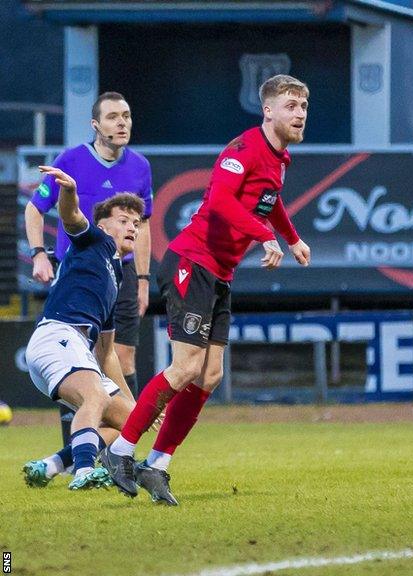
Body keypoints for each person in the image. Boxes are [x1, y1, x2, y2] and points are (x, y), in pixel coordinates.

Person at [101, 74, 312, 506]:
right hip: (191, 262)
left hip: (219, 274)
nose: (300, 114)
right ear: (268, 110)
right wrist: (265, 236)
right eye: (291, 105)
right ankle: (119, 451)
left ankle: (156, 466)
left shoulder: (279, 160)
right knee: (185, 368)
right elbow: (219, 203)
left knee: (210, 375)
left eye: (304, 107)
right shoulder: (243, 149)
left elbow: (269, 204)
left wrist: (290, 238)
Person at [25, 92, 153, 445]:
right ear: (96, 125)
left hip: (122, 276)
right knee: (77, 364)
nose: (122, 122)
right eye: (113, 117)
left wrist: (142, 279)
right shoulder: (71, 159)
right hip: (80, 274)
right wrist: (38, 253)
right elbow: (35, 209)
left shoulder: (140, 166)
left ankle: (116, 449)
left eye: (126, 115)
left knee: (121, 358)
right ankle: (75, 448)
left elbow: (143, 229)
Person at [22, 166, 145, 491]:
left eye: (136, 223)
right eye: (124, 220)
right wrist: (69, 192)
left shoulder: (115, 277)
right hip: (57, 336)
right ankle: (84, 471)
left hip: (77, 349)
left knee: (129, 422)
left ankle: (50, 466)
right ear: (103, 224)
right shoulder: (94, 242)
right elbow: (72, 217)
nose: (132, 226)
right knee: (94, 396)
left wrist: (135, 403)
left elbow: (106, 354)